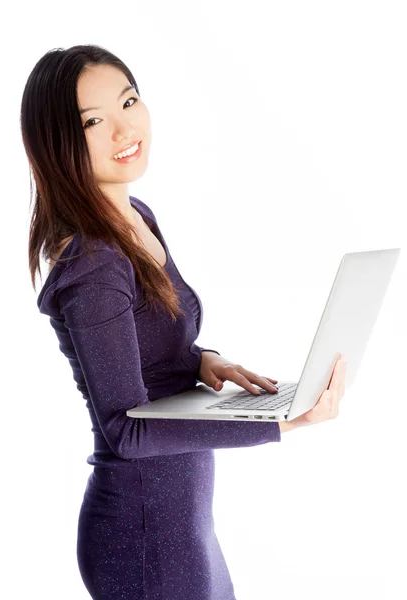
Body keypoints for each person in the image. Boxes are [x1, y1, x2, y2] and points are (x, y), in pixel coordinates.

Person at [22, 44, 347, 600]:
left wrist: (204, 361)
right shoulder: (93, 266)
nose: (125, 129)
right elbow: (126, 429)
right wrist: (283, 424)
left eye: (129, 101)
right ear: (58, 143)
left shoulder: (136, 216)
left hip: (183, 520)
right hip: (145, 533)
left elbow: (145, 342)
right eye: (94, 122)